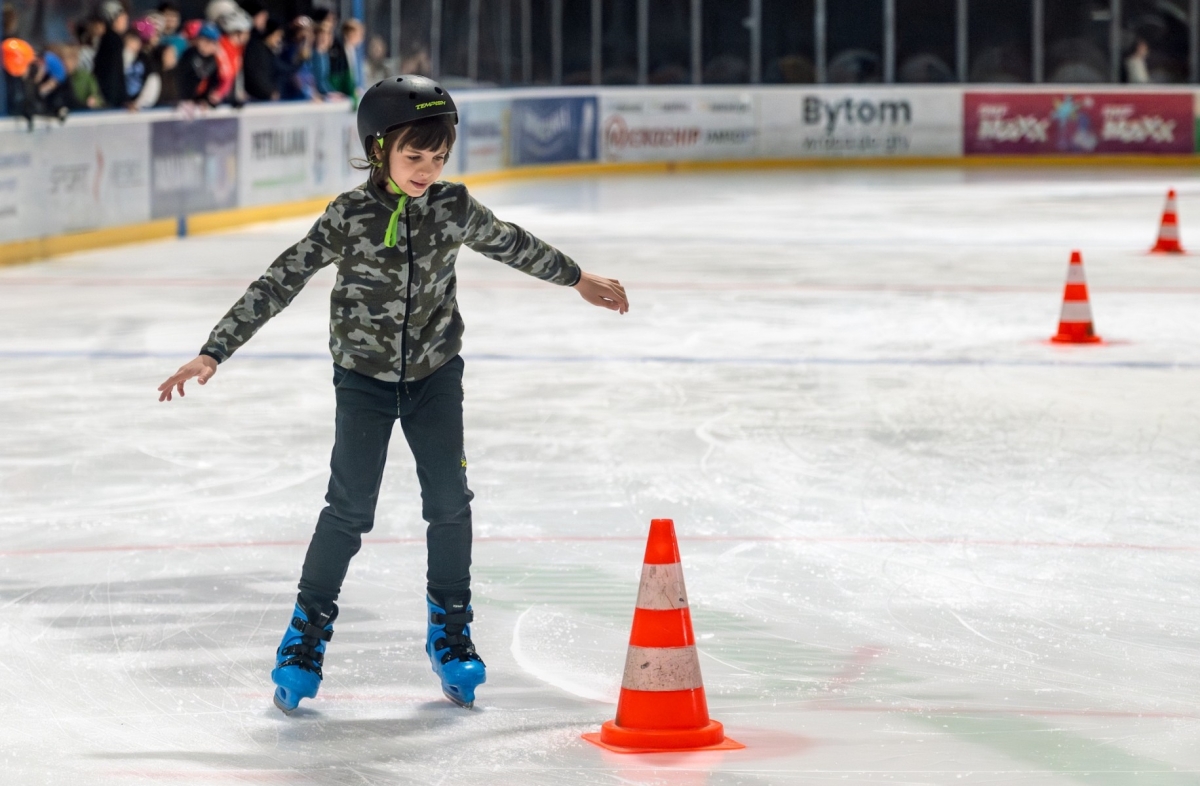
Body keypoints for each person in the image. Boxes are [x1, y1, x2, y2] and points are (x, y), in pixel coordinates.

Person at [156, 76, 629, 714]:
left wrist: (576, 277)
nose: (428, 170)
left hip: (436, 377)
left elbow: (511, 242)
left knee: (450, 502)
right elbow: (281, 279)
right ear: (379, 150)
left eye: (439, 156)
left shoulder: (453, 206)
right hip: (363, 383)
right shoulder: (348, 216)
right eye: (415, 155)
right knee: (349, 509)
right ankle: (304, 637)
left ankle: (451, 631)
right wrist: (215, 350)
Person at [93, 0, 131, 109]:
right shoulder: (113, 41)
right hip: (111, 101)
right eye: (122, 16)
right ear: (113, 19)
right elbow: (113, 73)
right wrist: (122, 100)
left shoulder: (107, 39)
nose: (126, 19)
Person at [175, 21, 220, 106]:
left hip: (199, 102)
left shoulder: (213, 60)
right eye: (205, 40)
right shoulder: (189, 55)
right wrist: (185, 99)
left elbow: (213, 82)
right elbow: (182, 80)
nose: (208, 45)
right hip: (184, 101)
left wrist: (206, 99)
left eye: (212, 42)